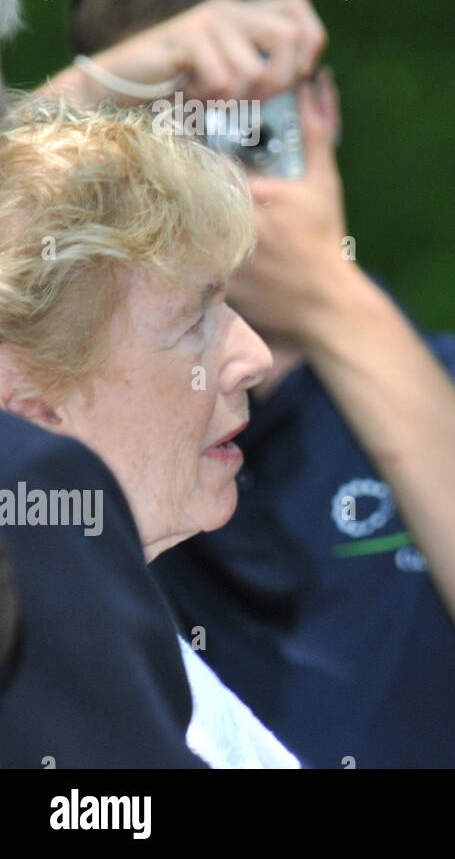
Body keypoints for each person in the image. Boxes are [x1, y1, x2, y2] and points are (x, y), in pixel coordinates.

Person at [62, 0, 455, 767]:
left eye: (253, 126)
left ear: (322, 106)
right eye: (179, 136)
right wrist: (89, 97)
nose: (222, 175)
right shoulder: (69, 413)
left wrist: (330, 301)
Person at [0, 98, 296, 767]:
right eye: (195, 320)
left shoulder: (136, 652)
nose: (253, 354)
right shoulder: (34, 681)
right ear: (28, 399)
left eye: (229, 305)